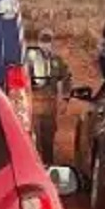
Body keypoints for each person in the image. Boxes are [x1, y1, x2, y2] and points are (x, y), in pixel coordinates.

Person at [27, 28, 72, 165]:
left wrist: (65, 98)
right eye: (43, 40)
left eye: (48, 40)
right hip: (33, 102)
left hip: (50, 105)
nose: (46, 43)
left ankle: (48, 165)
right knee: (32, 137)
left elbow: (67, 78)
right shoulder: (30, 59)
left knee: (48, 137)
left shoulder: (57, 61)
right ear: (38, 41)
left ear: (52, 42)